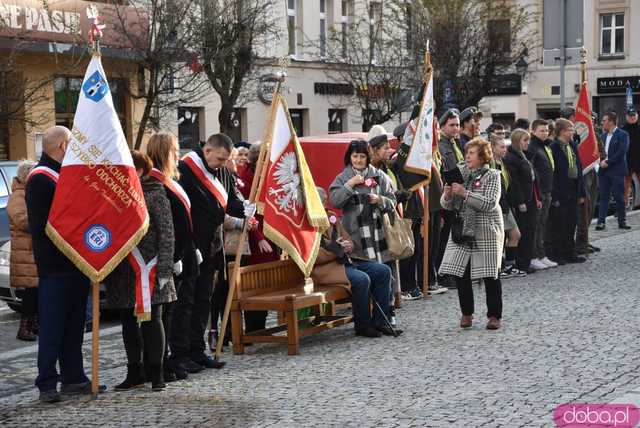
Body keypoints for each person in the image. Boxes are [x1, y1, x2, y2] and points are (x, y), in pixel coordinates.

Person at [26, 126, 101, 403]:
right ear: (61, 146)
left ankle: (74, 377)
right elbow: (46, 226)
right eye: (72, 143)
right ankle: (47, 382)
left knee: (73, 326)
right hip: (55, 266)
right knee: (53, 327)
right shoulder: (40, 179)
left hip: (76, 262)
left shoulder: (62, 175)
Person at [173, 133, 253, 372]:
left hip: (212, 247)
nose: (221, 164)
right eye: (219, 159)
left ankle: (197, 351)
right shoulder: (184, 170)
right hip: (190, 247)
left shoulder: (223, 172)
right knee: (185, 302)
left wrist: (247, 207)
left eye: (225, 160)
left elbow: (232, 202)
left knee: (203, 301)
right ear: (207, 151)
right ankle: (180, 353)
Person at [105, 151, 175, 391]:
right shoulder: (115, 195)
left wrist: (165, 267)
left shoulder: (155, 194)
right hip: (123, 270)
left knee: (152, 320)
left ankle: (157, 372)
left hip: (151, 267)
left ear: (141, 170)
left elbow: (167, 233)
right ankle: (134, 371)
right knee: (127, 321)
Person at [329, 139, 399, 336]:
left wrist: (381, 200)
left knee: (385, 273)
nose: (358, 160)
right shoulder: (343, 177)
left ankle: (383, 318)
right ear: (350, 158)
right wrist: (350, 185)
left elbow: (393, 201)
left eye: (362, 156)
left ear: (368, 157)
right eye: (355, 156)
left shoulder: (379, 176)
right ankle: (365, 321)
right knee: (367, 277)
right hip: (356, 237)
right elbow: (334, 200)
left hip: (378, 235)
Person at [146, 132, 197, 382]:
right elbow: (168, 224)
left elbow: (185, 219)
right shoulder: (156, 182)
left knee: (182, 309)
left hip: (185, 253)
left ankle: (178, 357)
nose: (178, 155)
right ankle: (168, 361)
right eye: (174, 151)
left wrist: (192, 246)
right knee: (170, 314)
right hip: (172, 257)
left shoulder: (171, 179)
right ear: (163, 152)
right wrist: (175, 256)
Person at [313, 187, 397, 337]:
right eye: (319, 203)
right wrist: (335, 249)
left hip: (345, 261)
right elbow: (312, 257)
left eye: (323, 203)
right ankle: (363, 325)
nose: (323, 207)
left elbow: (348, 240)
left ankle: (380, 322)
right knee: (361, 279)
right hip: (327, 269)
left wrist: (349, 245)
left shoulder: (330, 217)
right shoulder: (307, 225)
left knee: (383, 271)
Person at [439, 137, 504, 330]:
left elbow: (490, 203)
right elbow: (446, 205)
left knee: (491, 274)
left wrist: (465, 194)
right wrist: (448, 194)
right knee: (461, 272)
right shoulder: (460, 172)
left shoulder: (492, 175)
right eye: (467, 152)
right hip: (462, 229)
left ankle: (494, 316)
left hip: (486, 230)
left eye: (472, 153)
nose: (467, 156)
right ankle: (467, 313)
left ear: (483, 156)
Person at [548, 118, 587, 264]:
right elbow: (553, 173)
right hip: (560, 190)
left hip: (573, 188)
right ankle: (558, 254)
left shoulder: (572, 145)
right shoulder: (554, 148)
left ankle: (570, 252)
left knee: (572, 222)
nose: (573, 132)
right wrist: (555, 195)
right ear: (563, 131)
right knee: (559, 224)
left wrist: (581, 192)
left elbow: (579, 167)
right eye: (571, 129)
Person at [503, 129, 541, 273]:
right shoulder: (512, 158)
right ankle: (520, 263)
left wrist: (537, 197)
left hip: (530, 198)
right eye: (524, 140)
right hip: (522, 200)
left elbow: (532, 178)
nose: (527, 143)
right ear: (517, 141)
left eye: (528, 140)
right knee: (523, 231)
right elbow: (515, 183)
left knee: (530, 230)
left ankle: (526, 261)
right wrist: (520, 201)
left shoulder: (524, 155)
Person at [8, 160, 38, 341]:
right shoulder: (18, 196)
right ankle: (24, 327)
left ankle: (33, 324)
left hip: (29, 251)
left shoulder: (26, 193)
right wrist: (40, 216)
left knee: (35, 291)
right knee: (30, 292)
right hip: (25, 252)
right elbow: (21, 220)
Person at [489, 135, 525, 279]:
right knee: (511, 235)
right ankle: (503, 267)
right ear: (492, 148)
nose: (505, 150)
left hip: (505, 205)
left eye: (505, 147)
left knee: (513, 235)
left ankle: (509, 266)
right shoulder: (491, 164)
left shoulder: (502, 162)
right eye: (502, 147)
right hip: (498, 206)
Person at [526, 119, 558, 269]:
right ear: (533, 131)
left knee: (542, 224)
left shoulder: (546, 146)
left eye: (546, 130)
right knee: (536, 225)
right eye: (541, 131)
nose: (545, 133)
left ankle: (541, 254)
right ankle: (533, 256)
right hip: (538, 193)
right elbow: (531, 173)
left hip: (547, 191)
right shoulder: (532, 147)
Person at [596, 111, 631, 230]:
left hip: (617, 170)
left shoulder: (623, 135)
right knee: (604, 197)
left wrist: (608, 162)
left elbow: (621, 152)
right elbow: (599, 151)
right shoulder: (603, 136)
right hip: (603, 171)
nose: (602, 123)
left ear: (611, 121)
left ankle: (622, 221)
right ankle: (601, 222)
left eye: (604, 120)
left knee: (619, 197)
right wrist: (600, 161)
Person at [623, 107, 640, 204]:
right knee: (625, 186)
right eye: (630, 115)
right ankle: (623, 207)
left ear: (637, 116)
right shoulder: (622, 130)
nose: (632, 117)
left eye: (634, 115)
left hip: (639, 161)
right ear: (626, 117)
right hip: (626, 162)